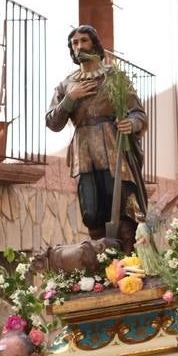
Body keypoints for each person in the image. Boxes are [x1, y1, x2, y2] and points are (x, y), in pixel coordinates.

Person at [45, 25, 148, 248]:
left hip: (113, 151)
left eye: (84, 40)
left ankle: (128, 261)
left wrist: (130, 123)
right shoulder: (67, 85)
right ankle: (102, 261)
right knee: (91, 212)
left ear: (95, 44)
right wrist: (70, 98)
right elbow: (53, 122)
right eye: (75, 43)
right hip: (84, 155)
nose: (79, 46)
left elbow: (139, 113)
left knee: (122, 210)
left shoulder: (114, 77)